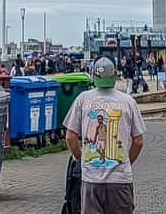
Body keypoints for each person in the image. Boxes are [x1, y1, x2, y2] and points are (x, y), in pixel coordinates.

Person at [64, 57, 146, 214]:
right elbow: (138, 141)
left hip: (91, 180)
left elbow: (70, 136)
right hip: (120, 180)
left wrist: (80, 157)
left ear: (94, 76)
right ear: (114, 75)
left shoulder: (83, 99)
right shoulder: (128, 102)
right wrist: (126, 161)